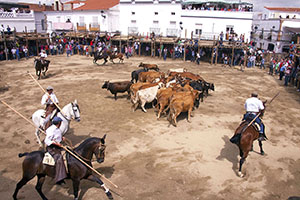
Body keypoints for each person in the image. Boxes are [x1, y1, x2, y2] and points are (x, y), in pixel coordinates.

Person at [44, 116, 67, 185]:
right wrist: (56, 143)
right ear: (59, 123)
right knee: (59, 159)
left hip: (58, 146)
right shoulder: (52, 130)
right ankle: (59, 179)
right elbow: (47, 141)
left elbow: (56, 137)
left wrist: (61, 138)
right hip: (52, 148)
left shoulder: (57, 129)